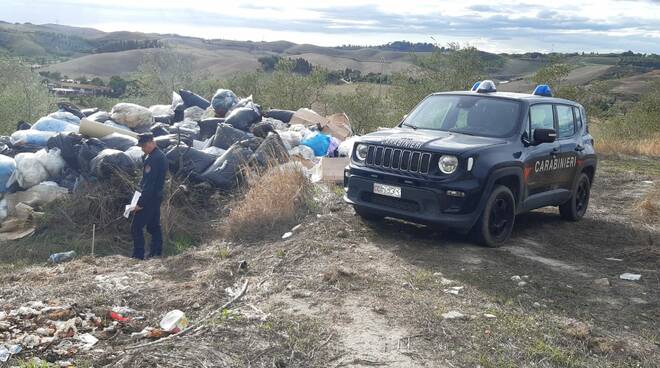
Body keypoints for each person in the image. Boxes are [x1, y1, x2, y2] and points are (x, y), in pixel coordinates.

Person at [131, 133, 167, 260]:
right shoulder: (159, 156)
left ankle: (138, 255)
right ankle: (156, 253)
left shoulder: (153, 159)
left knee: (136, 227)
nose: (143, 149)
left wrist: (140, 203)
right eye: (141, 147)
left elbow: (149, 184)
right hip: (156, 197)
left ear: (152, 143)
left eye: (144, 146)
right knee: (153, 226)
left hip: (149, 199)